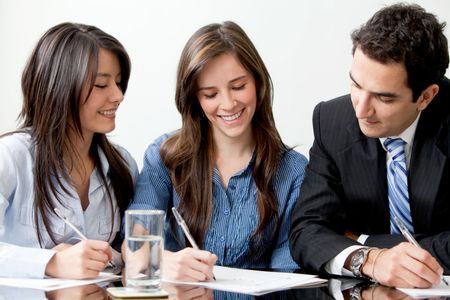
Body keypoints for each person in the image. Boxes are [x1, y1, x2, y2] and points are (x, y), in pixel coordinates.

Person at [126, 21, 308, 281]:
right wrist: (162, 261)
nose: (228, 103)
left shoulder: (293, 171)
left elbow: (288, 275)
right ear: (194, 99)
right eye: (210, 94)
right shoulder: (165, 156)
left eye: (238, 87)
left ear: (258, 83)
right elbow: (134, 242)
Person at [289, 3, 450, 288]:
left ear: (426, 96)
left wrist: (363, 240)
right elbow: (307, 230)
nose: (361, 110)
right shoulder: (332, 121)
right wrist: (370, 259)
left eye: (384, 98)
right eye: (356, 85)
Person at [0, 22, 138, 279]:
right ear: (60, 87)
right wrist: (51, 262)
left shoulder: (123, 166)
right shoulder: (10, 156)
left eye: (119, 83)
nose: (118, 95)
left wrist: (119, 259)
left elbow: (130, 253)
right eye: (100, 85)